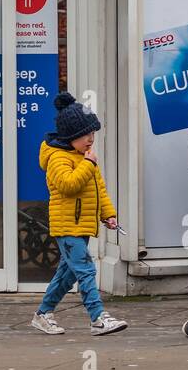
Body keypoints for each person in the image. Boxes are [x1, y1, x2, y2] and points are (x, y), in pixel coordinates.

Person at [31, 93, 129, 337]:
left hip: (81, 225)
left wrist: (108, 215)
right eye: (86, 135)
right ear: (70, 136)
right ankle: (98, 318)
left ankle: (43, 314)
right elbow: (68, 185)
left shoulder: (84, 158)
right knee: (85, 269)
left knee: (66, 275)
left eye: (93, 135)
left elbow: (99, 190)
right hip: (67, 227)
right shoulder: (57, 158)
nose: (90, 140)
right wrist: (89, 164)